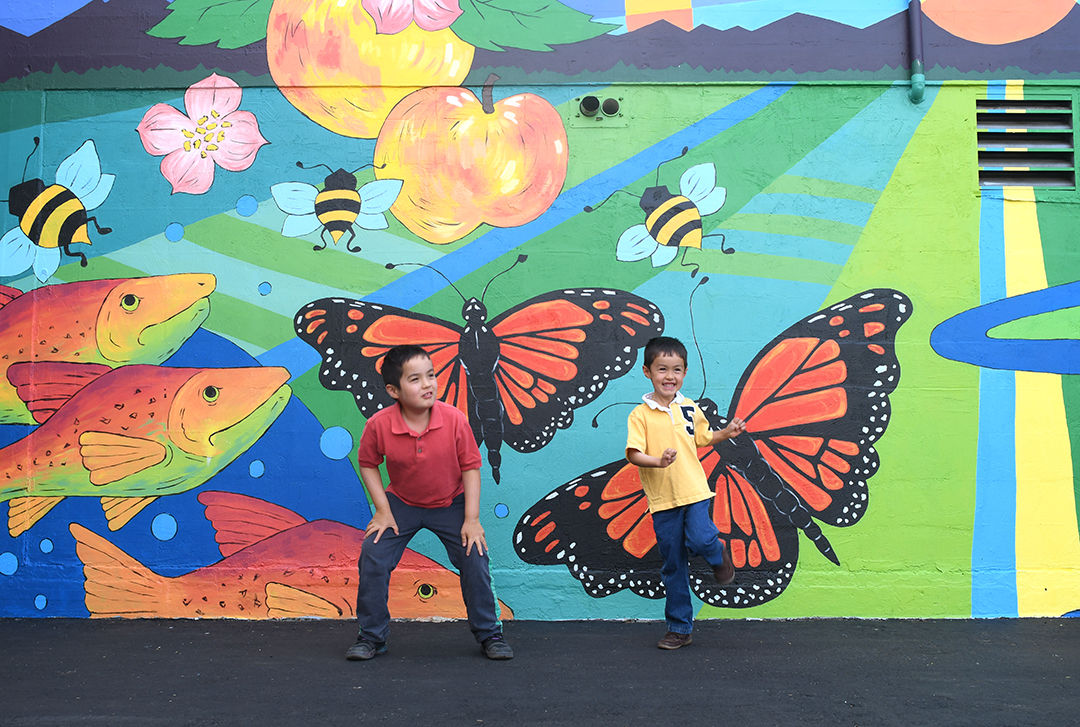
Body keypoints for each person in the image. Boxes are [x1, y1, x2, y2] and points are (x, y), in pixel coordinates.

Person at [346, 344, 512, 661]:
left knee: (474, 556)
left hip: (451, 504)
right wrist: (382, 510)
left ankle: (490, 633)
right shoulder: (379, 425)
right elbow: (367, 463)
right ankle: (371, 636)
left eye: (431, 375)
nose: (427, 384)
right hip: (402, 505)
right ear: (393, 390)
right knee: (373, 553)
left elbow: (471, 468)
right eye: (415, 379)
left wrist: (471, 519)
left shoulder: (454, 419)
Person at [625, 336, 746, 650]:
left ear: (685, 372)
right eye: (662, 369)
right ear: (647, 372)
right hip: (663, 501)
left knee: (703, 538)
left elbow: (704, 438)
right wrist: (657, 461)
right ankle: (680, 628)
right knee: (673, 565)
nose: (669, 376)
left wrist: (727, 432)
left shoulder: (690, 407)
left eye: (676, 370)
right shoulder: (640, 415)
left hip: (695, 491)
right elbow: (633, 454)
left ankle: (719, 557)